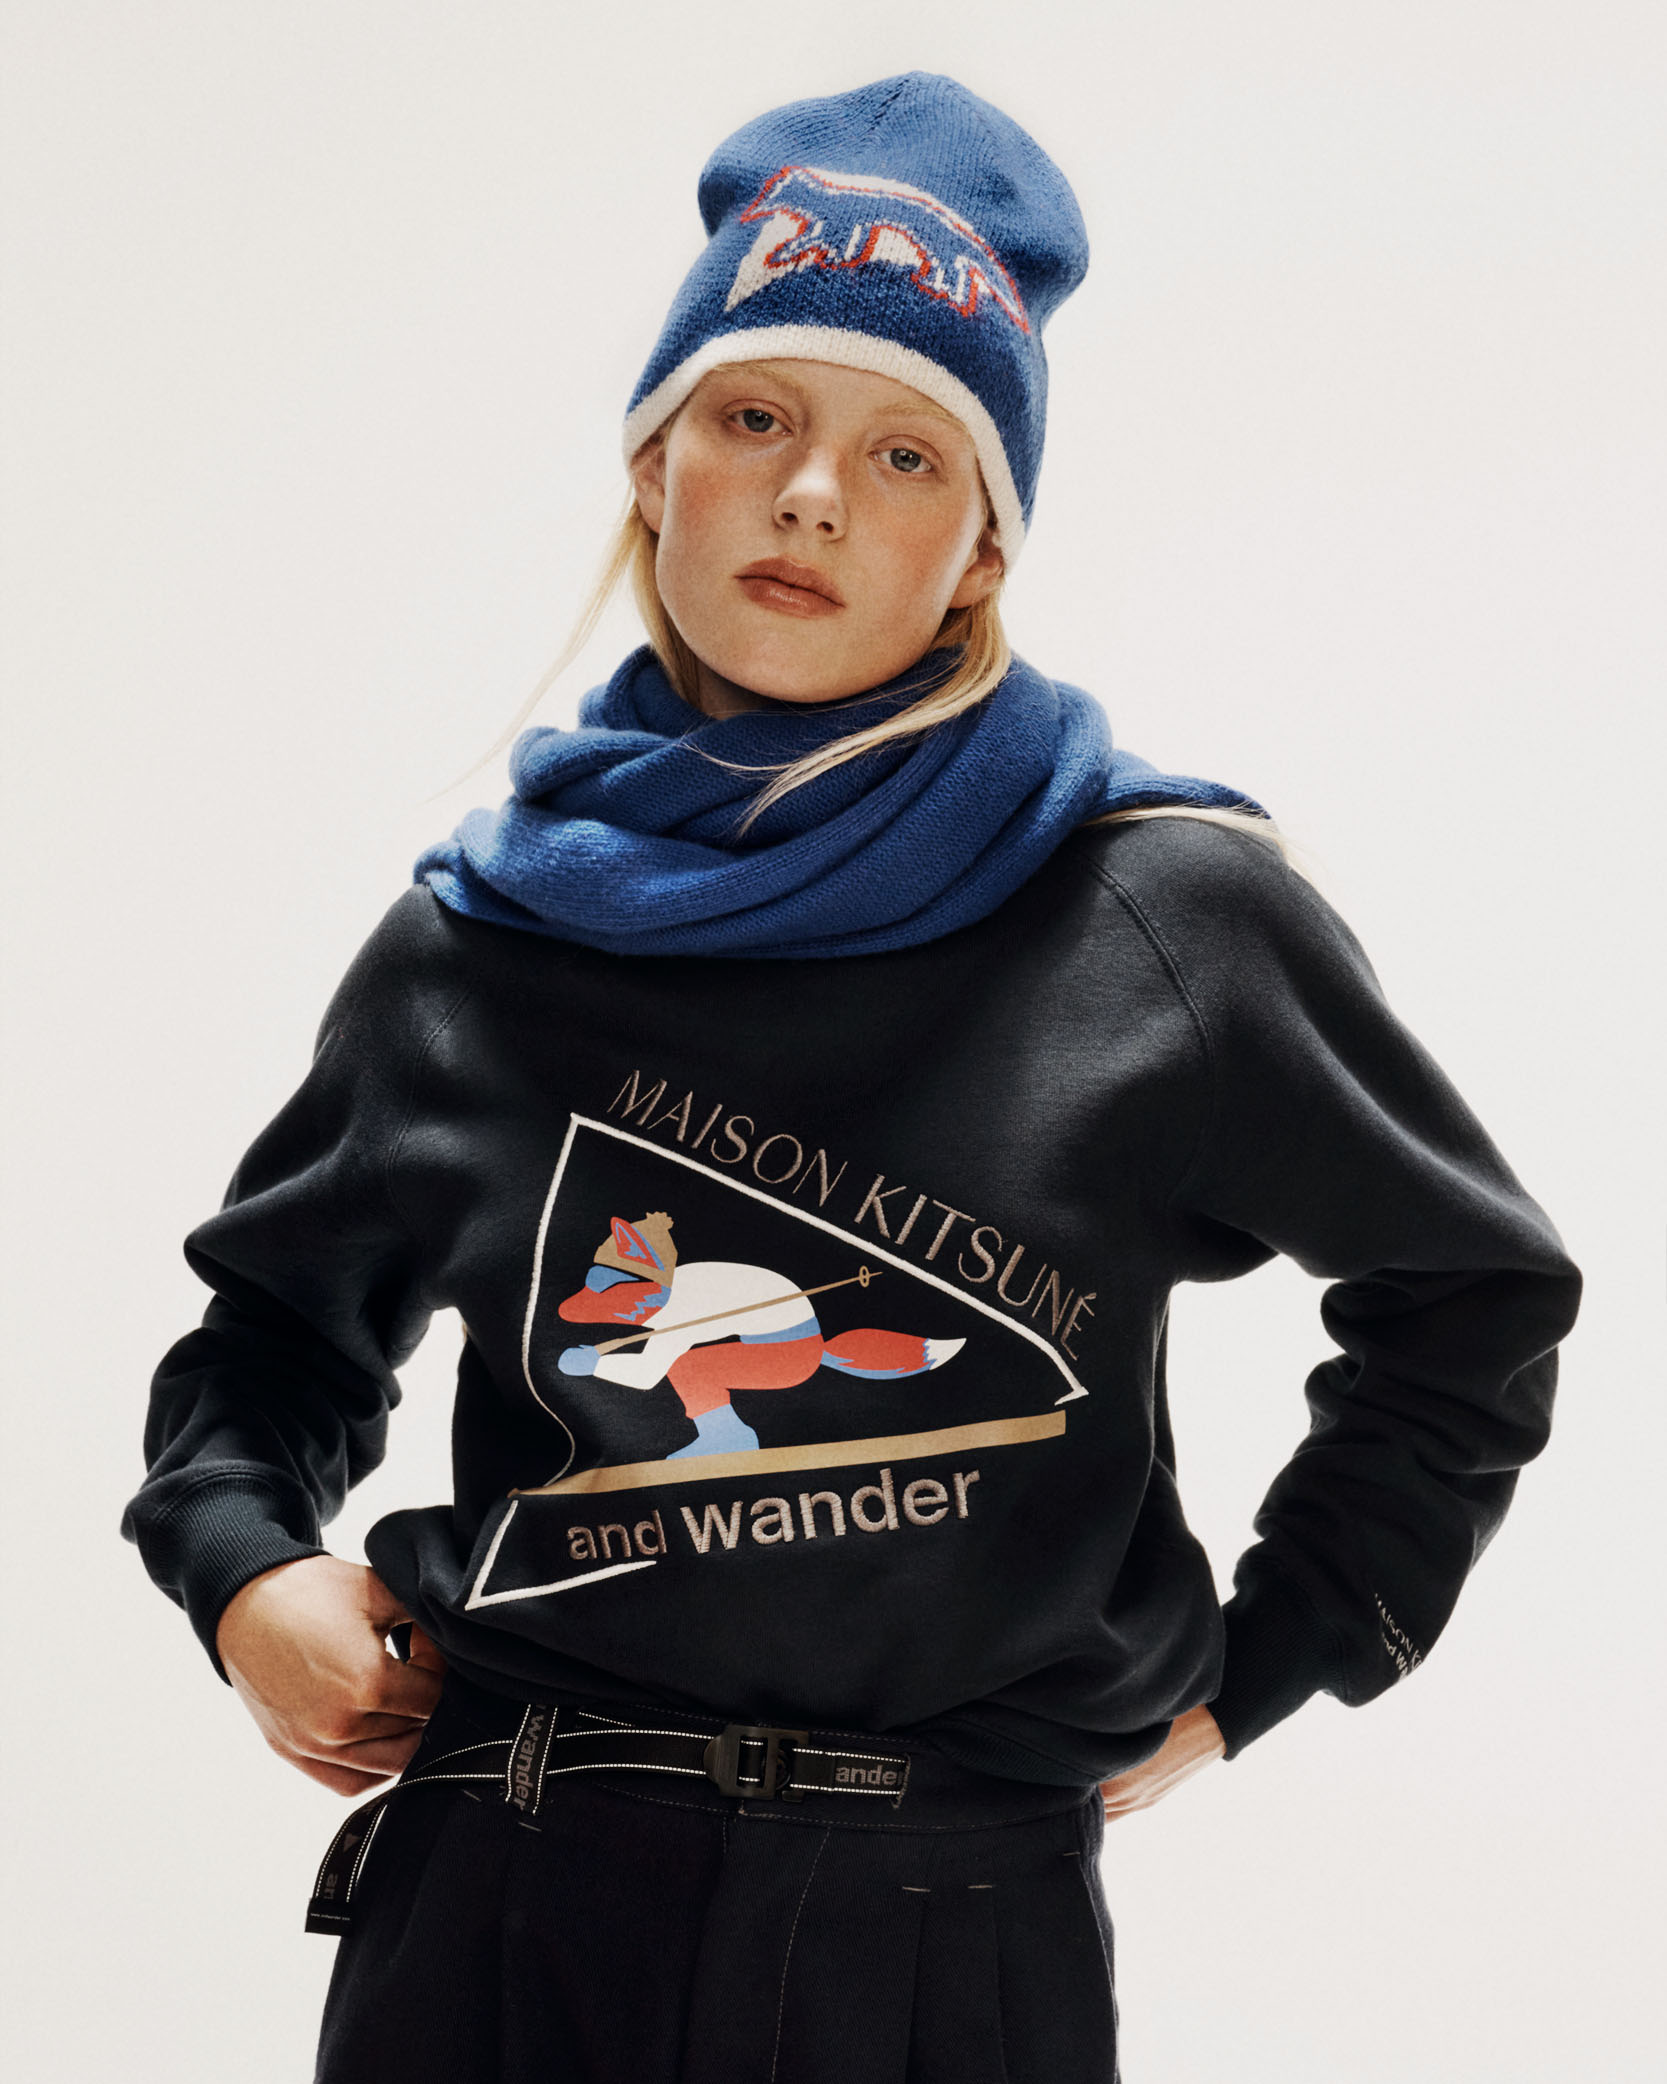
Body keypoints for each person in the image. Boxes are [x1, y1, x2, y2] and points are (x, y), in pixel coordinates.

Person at [122, 72, 1581, 2084]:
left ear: (980, 549)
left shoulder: (1164, 914)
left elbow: (1474, 1292)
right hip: (508, 1898)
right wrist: (246, 1569)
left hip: (951, 1927)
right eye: (754, 418)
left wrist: (1283, 1655)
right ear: (656, 466)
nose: (812, 492)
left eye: (905, 452)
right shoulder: (478, 937)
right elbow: (271, 1342)